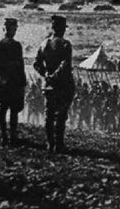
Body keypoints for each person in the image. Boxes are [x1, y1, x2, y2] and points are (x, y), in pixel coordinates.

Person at [33, 15, 75, 153]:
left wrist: (46, 75)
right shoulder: (65, 44)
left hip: (48, 85)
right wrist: (55, 76)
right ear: (62, 29)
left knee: (49, 115)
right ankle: (59, 144)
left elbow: (37, 64)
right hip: (62, 85)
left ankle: (50, 144)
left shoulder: (43, 44)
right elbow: (65, 65)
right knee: (61, 115)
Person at [0, 17, 26, 146]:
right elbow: (20, 65)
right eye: (14, 28)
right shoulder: (16, 45)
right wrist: (23, 81)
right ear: (13, 29)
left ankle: (4, 136)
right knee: (14, 110)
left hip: (2, 82)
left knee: (2, 109)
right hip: (14, 82)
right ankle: (13, 136)